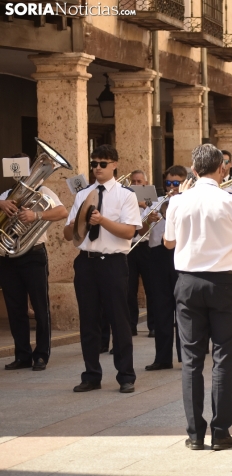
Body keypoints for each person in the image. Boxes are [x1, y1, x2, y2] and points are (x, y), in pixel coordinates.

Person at [164, 143, 232, 450]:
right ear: (222, 169)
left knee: (191, 362)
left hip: (187, 283)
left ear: (193, 170)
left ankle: (195, 435)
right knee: (223, 359)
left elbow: (169, 244)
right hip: (224, 284)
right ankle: (220, 432)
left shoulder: (177, 202)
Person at [63, 144, 142, 394]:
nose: (97, 168)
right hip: (86, 261)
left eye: (102, 164)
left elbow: (130, 231)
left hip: (113, 263)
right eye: (94, 163)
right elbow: (68, 235)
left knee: (119, 320)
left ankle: (126, 375)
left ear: (114, 165)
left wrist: (102, 221)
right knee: (88, 320)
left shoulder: (125, 195)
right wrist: (77, 222)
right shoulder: (82, 195)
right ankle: (91, 375)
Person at [0, 153, 68, 371]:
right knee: (15, 308)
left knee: (40, 307)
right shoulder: (4, 195)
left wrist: (35, 216)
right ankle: (22, 354)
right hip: (8, 257)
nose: (18, 173)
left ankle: (41, 355)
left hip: (33, 254)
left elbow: (62, 211)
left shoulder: (43, 191)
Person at [144, 165, 185, 371]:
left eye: (176, 183)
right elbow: (139, 230)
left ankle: (186, 356)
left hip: (180, 255)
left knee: (184, 308)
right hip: (158, 255)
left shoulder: (189, 203)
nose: (172, 187)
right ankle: (162, 357)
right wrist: (147, 220)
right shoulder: (156, 203)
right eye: (168, 183)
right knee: (161, 307)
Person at [127, 169, 154, 337]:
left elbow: (145, 229)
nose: (136, 184)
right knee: (129, 289)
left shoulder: (151, 201)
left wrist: (144, 206)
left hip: (146, 247)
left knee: (151, 288)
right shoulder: (127, 201)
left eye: (139, 182)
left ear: (145, 183)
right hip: (129, 247)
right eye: (133, 181)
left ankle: (153, 325)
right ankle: (130, 325)